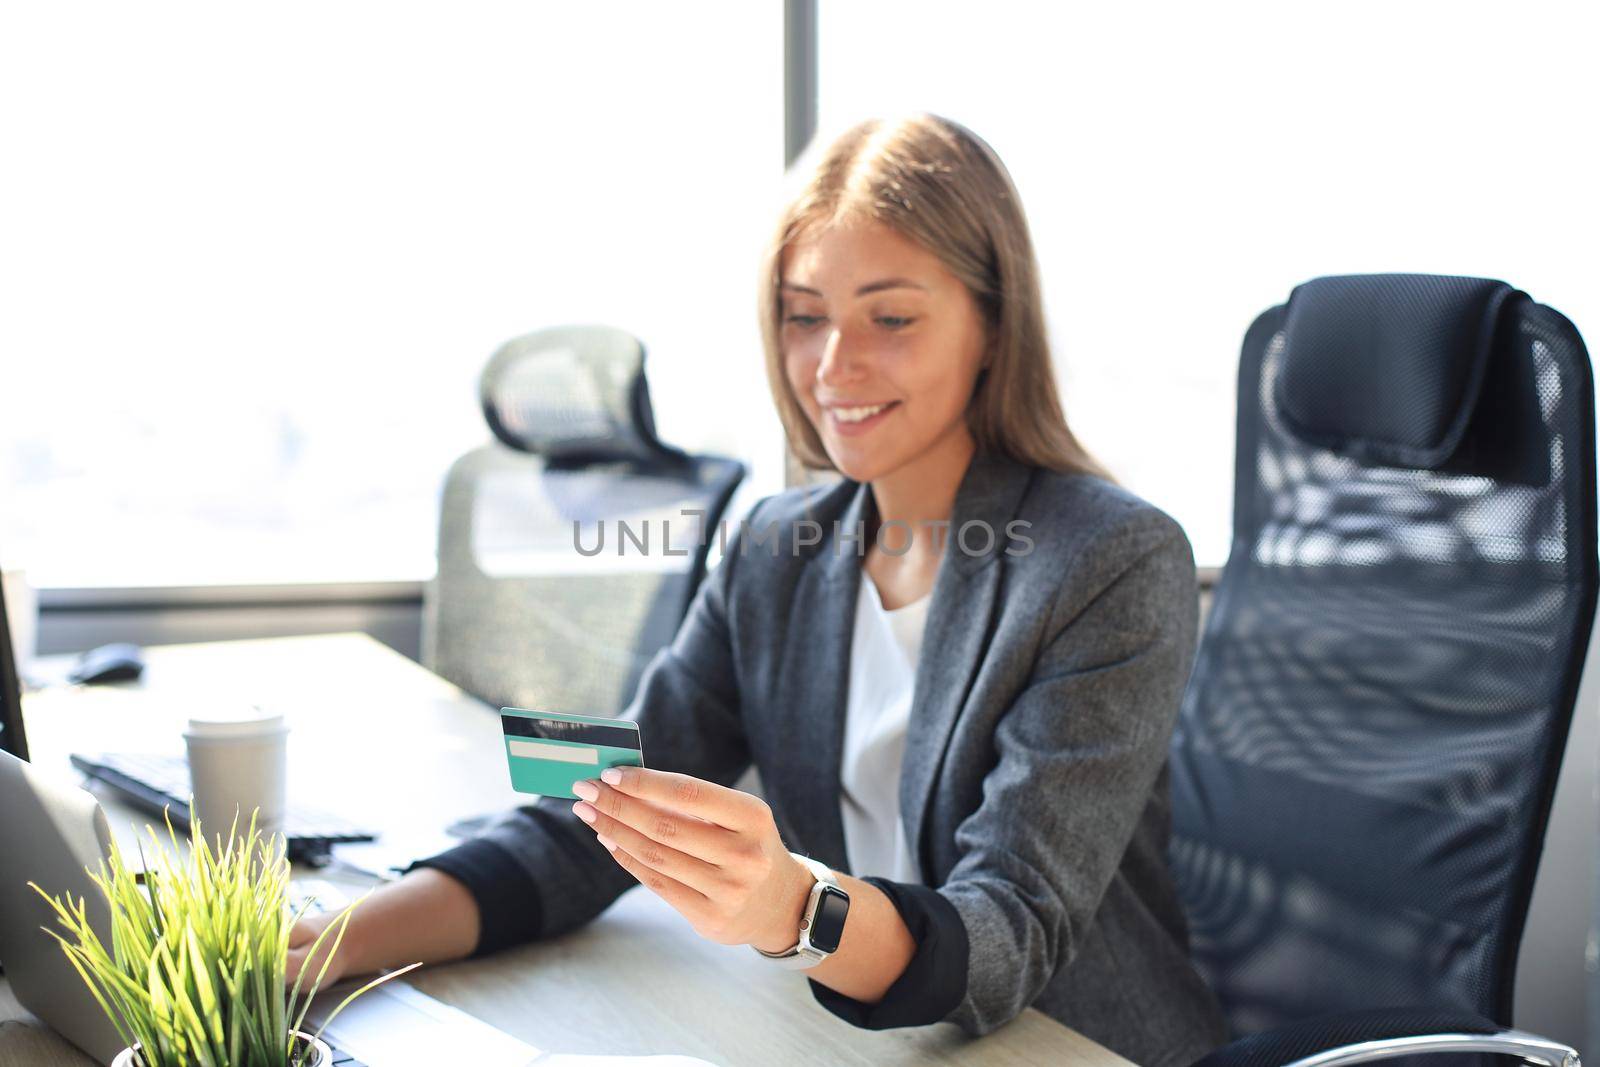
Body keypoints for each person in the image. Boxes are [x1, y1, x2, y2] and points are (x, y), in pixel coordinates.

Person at [288, 113, 1228, 1067]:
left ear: (992, 323)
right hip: (858, 1038)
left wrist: (795, 906)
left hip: (1072, 1044)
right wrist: (330, 940)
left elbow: (1007, 931)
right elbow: (595, 814)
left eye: (890, 317)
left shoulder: (1109, 561)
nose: (832, 366)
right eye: (804, 314)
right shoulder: (775, 548)